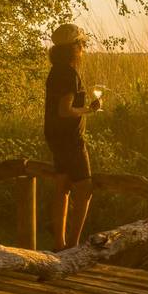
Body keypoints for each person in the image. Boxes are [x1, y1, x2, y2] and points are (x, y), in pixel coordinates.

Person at [44, 23, 101, 251]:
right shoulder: (69, 73)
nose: (83, 47)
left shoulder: (55, 71)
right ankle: (74, 245)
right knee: (85, 189)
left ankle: (60, 243)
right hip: (70, 138)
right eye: (81, 43)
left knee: (62, 186)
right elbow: (64, 110)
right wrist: (89, 110)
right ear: (74, 47)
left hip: (55, 135)